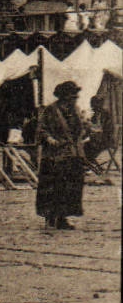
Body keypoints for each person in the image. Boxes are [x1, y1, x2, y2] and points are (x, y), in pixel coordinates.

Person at [37, 81, 87, 230]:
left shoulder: (76, 110)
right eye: (72, 95)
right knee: (53, 186)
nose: (75, 98)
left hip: (73, 154)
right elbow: (41, 130)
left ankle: (63, 217)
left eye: (76, 95)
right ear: (64, 96)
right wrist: (50, 139)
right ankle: (50, 217)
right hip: (54, 155)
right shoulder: (50, 110)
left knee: (70, 186)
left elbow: (81, 128)